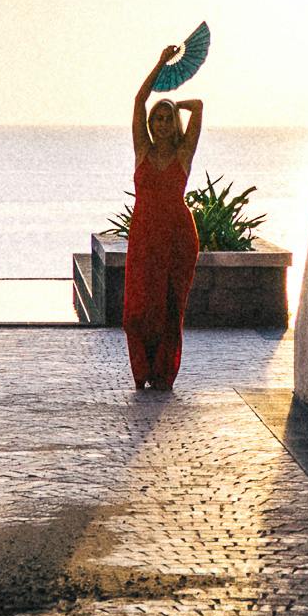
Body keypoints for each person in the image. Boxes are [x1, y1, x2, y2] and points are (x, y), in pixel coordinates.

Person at [124, 47, 203, 391]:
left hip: (176, 237)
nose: (162, 123)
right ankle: (142, 371)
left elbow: (198, 107)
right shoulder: (142, 148)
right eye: (158, 118)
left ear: (175, 125)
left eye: (168, 118)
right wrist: (160, 65)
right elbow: (140, 100)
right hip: (143, 236)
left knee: (170, 310)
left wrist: (175, 102)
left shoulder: (184, 153)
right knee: (137, 310)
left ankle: (163, 375)